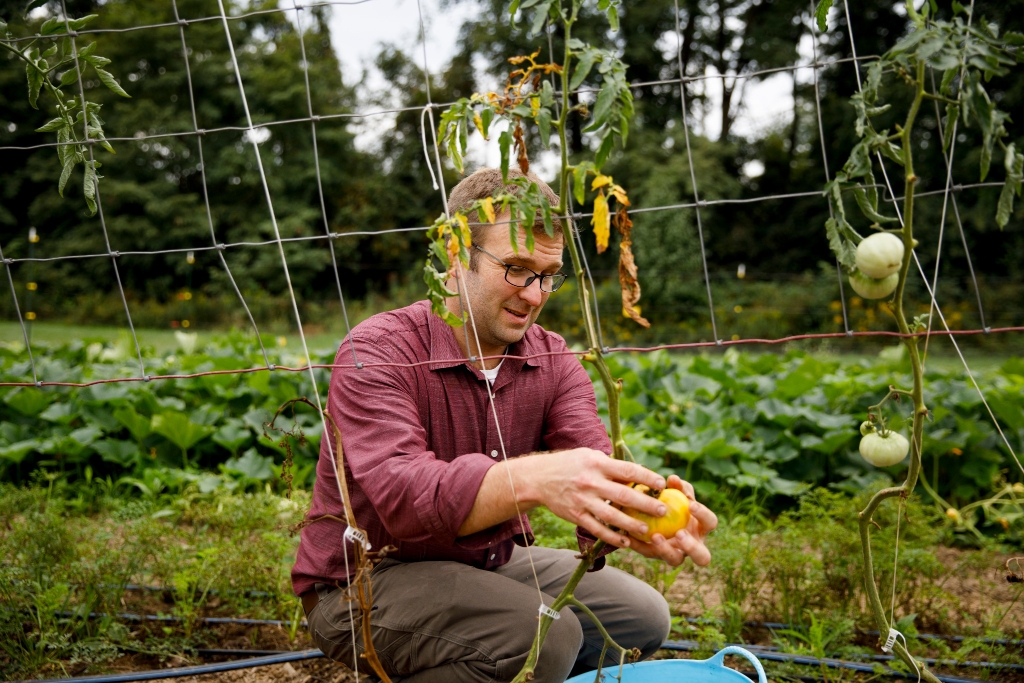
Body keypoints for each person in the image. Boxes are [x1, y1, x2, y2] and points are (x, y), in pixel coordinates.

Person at [291, 168, 718, 683]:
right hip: (364, 582)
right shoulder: (378, 350)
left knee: (640, 617)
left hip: (482, 564)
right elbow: (403, 495)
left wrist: (635, 511)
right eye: (516, 268)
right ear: (455, 254)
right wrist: (533, 479)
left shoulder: (552, 358)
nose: (535, 295)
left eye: (548, 274)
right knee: (546, 636)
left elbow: (594, 462)